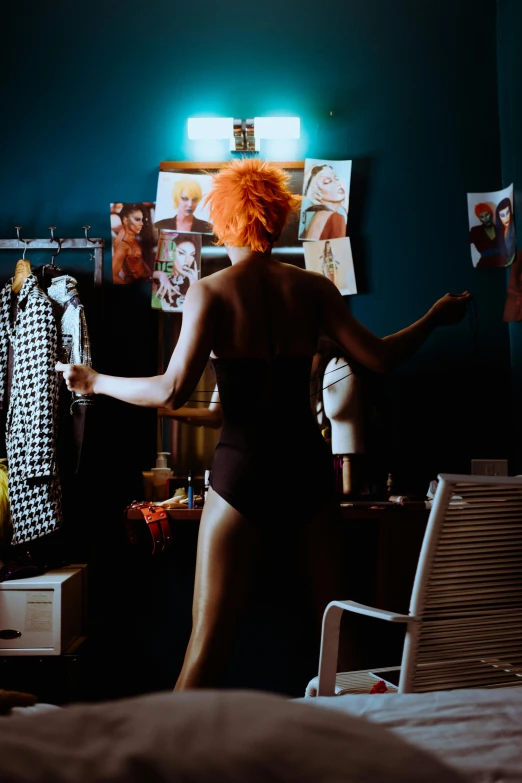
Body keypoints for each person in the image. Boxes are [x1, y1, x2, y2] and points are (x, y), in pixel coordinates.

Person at [56, 158, 471, 691]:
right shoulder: (315, 288)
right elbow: (381, 358)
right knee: (340, 642)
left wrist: (94, 381)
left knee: (207, 649)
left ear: (223, 221)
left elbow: (169, 390)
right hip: (308, 472)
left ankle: (164, 768)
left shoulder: (211, 291)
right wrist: (434, 317)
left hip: (241, 472)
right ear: (276, 219)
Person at [299, 164, 348, 240]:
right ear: (317, 195)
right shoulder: (336, 218)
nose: (338, 183)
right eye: (328, 181)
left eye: (336, 178)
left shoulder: (316, 216)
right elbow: (341, 251)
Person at [153, 238, 199, 311]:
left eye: (192, 255)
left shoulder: (195, 280)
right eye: (181, 253)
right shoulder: (158, 278)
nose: (188, 260)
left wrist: (194, 285)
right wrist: (159, 274)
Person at [112, 204, 152, 285]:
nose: (142, 223)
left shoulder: (131, 238)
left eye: (142, 220)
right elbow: (113, 276)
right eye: (137, 219)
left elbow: (139, 260)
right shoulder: (123, 244)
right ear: (126, 220)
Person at [469, 203, 502, 268]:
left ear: (491, 213)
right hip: (484, 265)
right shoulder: (475, 231)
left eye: (487, 214)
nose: (485, 218)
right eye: (482, 217)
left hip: (501, 262)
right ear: (479, 219)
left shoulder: (501, 228)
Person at [495, 197, 516, 267]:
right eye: (502, 215)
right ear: (499, 217)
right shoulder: (500, 230)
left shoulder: (514, 226)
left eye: (507, 213)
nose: (506, 218)